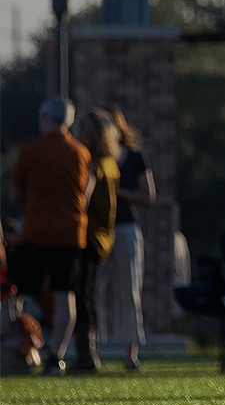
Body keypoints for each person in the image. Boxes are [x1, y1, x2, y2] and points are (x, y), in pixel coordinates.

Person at [8, 99, 92, 375]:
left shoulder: (31, 151)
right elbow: (83, 195)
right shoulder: (80, 152)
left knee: (14, 289)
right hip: (71, 233)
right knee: (64, 294)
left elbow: (16, 193)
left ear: (44, 117)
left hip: (37, 231)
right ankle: (57, 356)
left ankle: (15, 345)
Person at [67, 108, 120, 373]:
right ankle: (90, 351)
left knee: (81, 296)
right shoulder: (111, 163)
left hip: (86, 236)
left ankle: (85, 354)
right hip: (103, 237)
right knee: (89, 295)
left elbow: (82, 200)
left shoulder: (91, 164)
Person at [101, 107, 154, 370]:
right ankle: (91, 349)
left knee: (129, 290)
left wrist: (116, 191)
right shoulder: (95, 157)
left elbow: (148, 197)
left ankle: (130, 353)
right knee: (94, 290)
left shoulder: (135, 158)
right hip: (98, 230)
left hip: (126, 228)